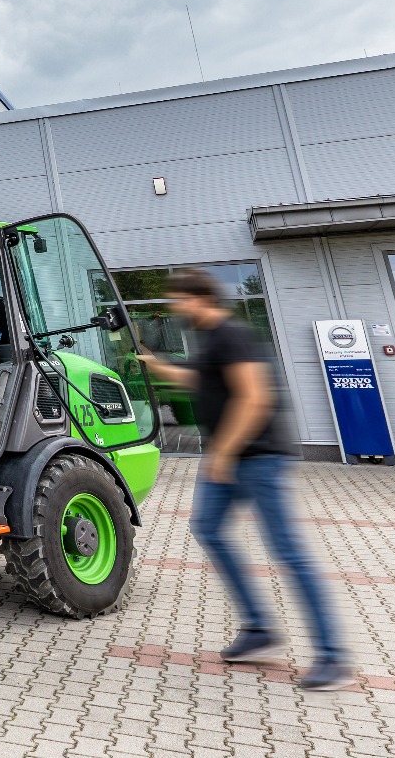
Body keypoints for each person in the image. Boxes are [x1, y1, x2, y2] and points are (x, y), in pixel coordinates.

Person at [136, 268, 351, 691]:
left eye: (178, 300)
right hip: (230, 459)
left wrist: (224, 452)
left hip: (256, 458)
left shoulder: (231, 334)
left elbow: (255, 398)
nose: (175, 308)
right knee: (209, 530)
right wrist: (154, 363)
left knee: (289, 552)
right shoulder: (211, 340)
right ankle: (258, 630)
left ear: (198, 299)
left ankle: (331, 656)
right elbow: (196, 379)